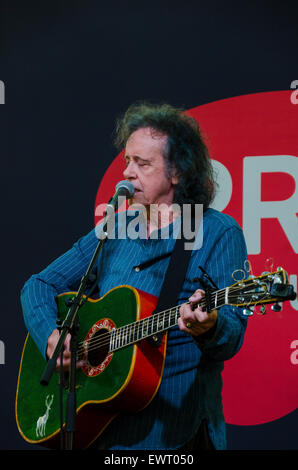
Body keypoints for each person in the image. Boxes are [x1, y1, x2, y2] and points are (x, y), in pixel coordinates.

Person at [21, 102, 248, 451]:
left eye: (142, 164)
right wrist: (51, 335)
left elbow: (231, 331)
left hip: (174, 435)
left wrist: (210, 325)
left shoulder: (214, 231)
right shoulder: (114, 228)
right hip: (101, 429)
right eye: (127, 160)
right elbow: (38, 285)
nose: (127, 172)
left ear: (177, 172)